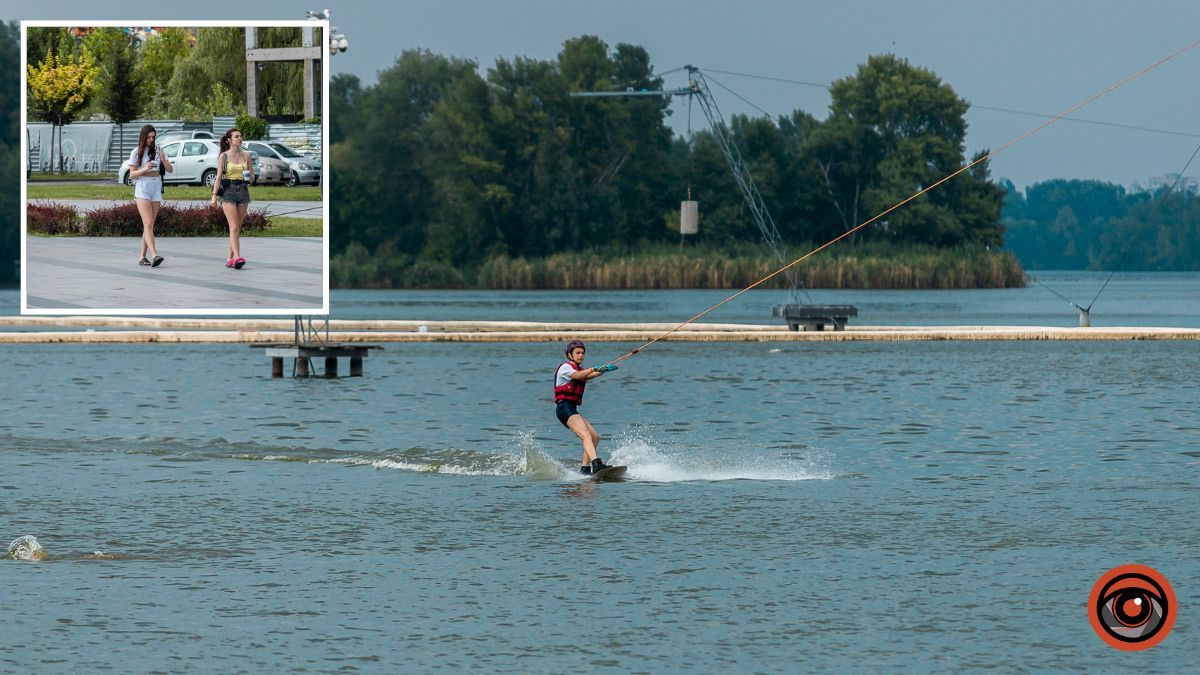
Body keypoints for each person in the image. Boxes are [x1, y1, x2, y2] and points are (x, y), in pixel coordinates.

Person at [554, 340, 619, 475]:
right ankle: (596, 464)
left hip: (572, 408)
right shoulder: (565, 368)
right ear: (570, 355)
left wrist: (604, 370)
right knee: (586, 435)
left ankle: (585, 469)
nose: (581, 355)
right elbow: (578, 375)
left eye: (583, 353)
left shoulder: (581, 370)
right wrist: (592, 369)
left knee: (595, 437)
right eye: (577, 353)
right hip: (564, 408)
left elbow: (589, 375)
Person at [210, 128, 254, 269]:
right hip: (228, 191)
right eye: (237, 136)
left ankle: (229, 258)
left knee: (237, 228)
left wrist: (250, 177)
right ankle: (237, 257)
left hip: (243, 191)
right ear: (229, 140)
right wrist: (214, 197)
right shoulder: (224, 156)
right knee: (233, 226)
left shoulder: (247, 155)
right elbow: (218, 177)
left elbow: (252, 176)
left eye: (241, 136)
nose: (240, 138)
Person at [129, 124, 171, 267]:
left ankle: (142, 256)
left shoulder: (159, 150)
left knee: (149, 225)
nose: (151, 139)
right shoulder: (136, 152)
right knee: (147, 222)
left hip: (156, 185)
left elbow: (170, 170)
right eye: (149, 137)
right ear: (143, 137)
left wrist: (164, 160)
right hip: (143, 186)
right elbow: (132, 175)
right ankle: (154, 255)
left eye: (153, 137)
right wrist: (144, 169)